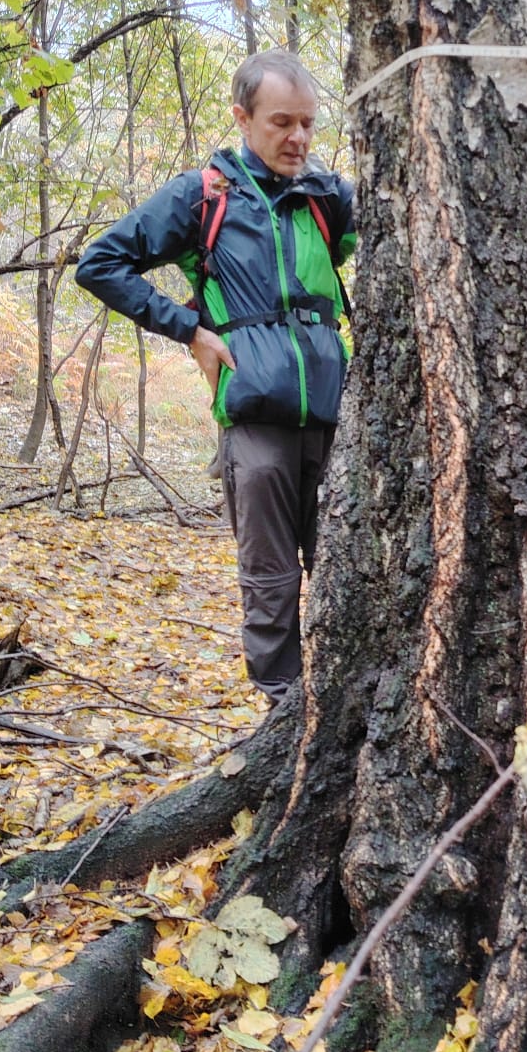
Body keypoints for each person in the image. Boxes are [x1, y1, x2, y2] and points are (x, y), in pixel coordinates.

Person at [77, 50, 356, 703]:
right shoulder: (204, 196)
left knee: (349, 568)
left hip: (339, 421)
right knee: (270, 578)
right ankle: (282, 709)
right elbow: (101, 264)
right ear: (242, 118)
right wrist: (189, 330)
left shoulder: (326, 198)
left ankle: (346, 704)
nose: (298, 138)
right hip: (255, 420)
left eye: (308, 123)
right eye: (281, 122)